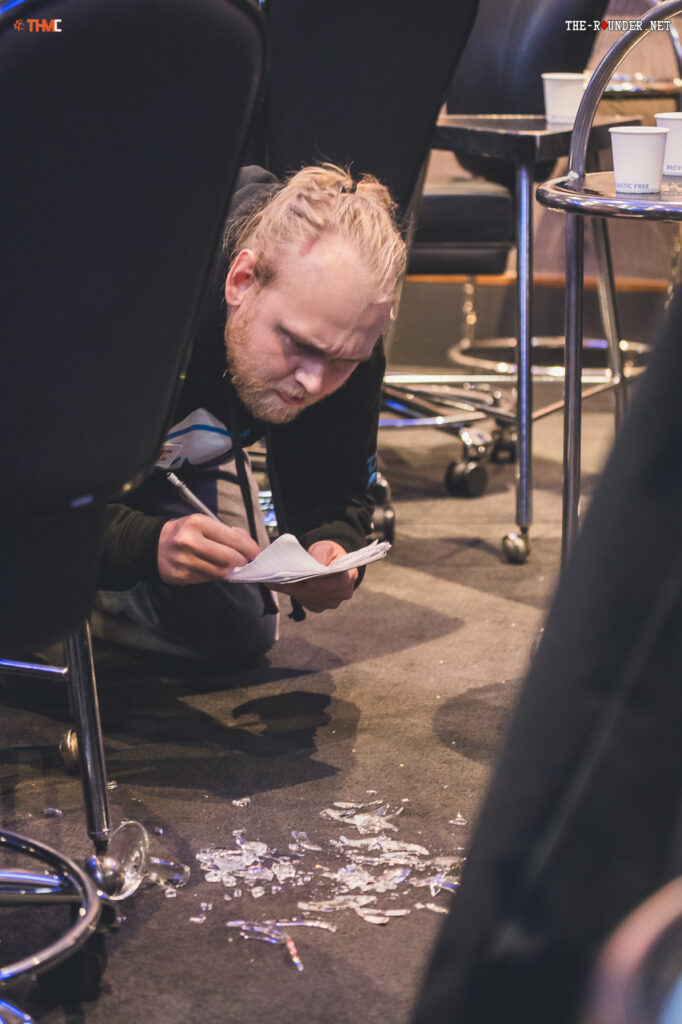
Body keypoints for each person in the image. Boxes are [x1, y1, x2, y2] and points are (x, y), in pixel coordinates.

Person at [92, 164, 406, 667]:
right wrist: (140, 544)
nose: (314, 382)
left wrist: (332, 547)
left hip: (171, 462)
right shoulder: (132, 287)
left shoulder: (343, 332)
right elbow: (23, 487)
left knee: (237, 626)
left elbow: (336, 486)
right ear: (241, 280)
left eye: (344, 362)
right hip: (41, 464)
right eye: (300, 345)